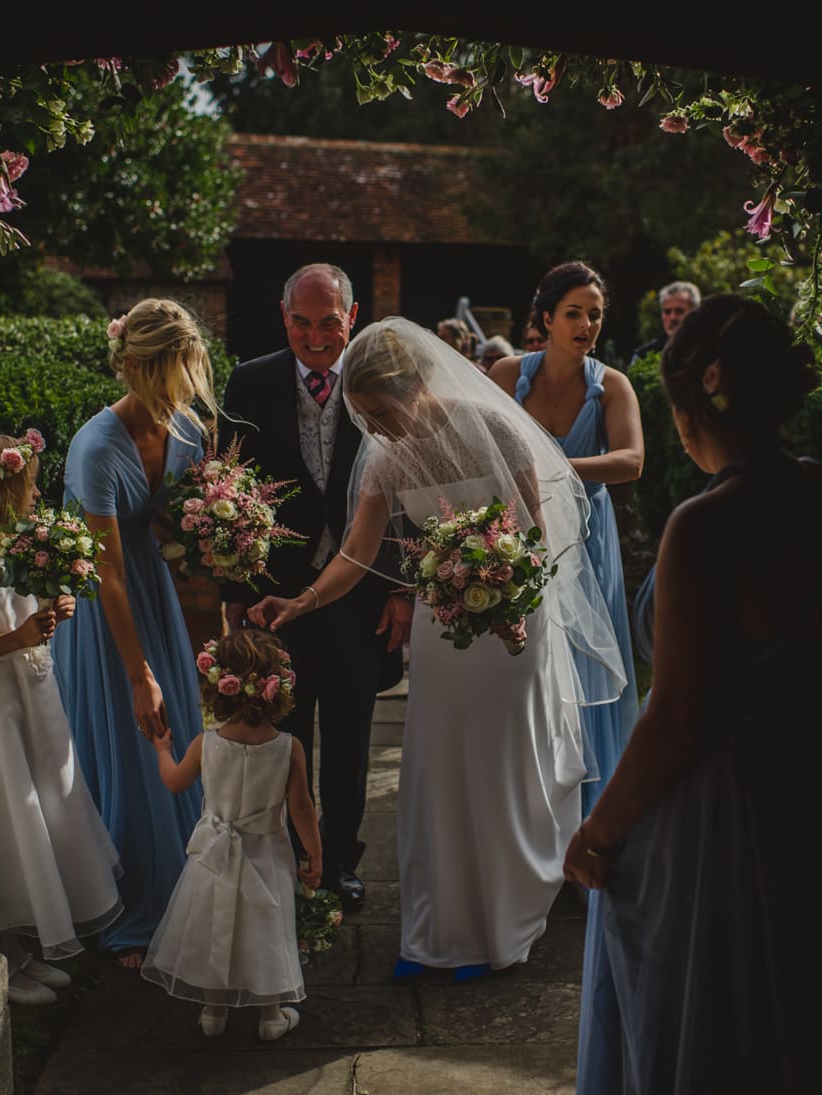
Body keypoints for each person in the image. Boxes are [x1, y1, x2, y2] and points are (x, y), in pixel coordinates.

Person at [248, 316, 627, 982]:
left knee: (499, 772)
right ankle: (440, 929)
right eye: (363, 417)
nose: (377, 429)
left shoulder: (497, 428)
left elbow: (538, 540)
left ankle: (503, 922)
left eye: (382, 412)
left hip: (512, 626)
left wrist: (496, 576)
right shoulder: (388, 455)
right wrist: (302, 599)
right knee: (441, 775)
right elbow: (357, 553)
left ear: (415, 386)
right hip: (445, 634)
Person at [565, 296, 822, 1092]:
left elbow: (676, 718)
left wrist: (598, 833)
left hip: (717, 815)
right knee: (801, 1013)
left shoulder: (705, 524)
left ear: (694, 405)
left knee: (705, 1015)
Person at [218, 263, 408, 911]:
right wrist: (233, 592)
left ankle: (341, 863)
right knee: (284, 733)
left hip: (362, 592)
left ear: (350, 318)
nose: (316, 337)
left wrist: (403, 590)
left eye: (329, 323)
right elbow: (226, 491)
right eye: (301, 322)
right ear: (284, 317)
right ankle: (295, 860)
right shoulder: (250, 382)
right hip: (278, 593)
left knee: (353, 731)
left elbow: (409, 485)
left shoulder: (377, 379)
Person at [51, 299, 217, 968]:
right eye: (179, 367)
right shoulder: (95, 447)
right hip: (104, 608)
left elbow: (171, 524)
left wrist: (221, 530)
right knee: (127, 740)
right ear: (143, 366)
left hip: (156, 592)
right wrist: (138, 672)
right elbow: (107, 572)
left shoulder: (187, 431)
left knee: (174, 733)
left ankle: (187, 889)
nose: (188, 381)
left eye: (192, 365)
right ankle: (126, 907)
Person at [0, 430, 123, 1006]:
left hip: (30, 695)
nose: (37, 490)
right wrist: (18, 637)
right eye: (30, 481)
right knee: (3, 822)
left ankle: (21, 949)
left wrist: (51, 606)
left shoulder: (13, 548)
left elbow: (20, 617)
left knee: (42, 810)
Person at [491, 262, 643, 816]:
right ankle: (528, 815)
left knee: (583, 669)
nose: (586, 325)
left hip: (586, 540)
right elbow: (482, 450)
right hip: (520, 535)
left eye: (595, 314)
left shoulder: (611, 386)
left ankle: (587, 816)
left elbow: (631, 461)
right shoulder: (508, 375)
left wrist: (553, 466)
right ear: (547, 318)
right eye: (574, 313)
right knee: (529, 663)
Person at [141, 629, 321, 1042]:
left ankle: (213, 1012)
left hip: (212, 853)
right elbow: (301, 809)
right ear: (277, 686)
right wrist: (315, 855)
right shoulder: (287, 747)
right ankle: (271, 1017)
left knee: (214, 924)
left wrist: (162, 749)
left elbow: (173, 782)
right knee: (265, 928)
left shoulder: (207, 744)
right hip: (267, 853)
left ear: (220, 686)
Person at [627, 280, 701, 367]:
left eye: (679, 311)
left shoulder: (711, 351)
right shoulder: (642, 356)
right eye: (667, 312)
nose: (672, 317)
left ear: (695, 314)